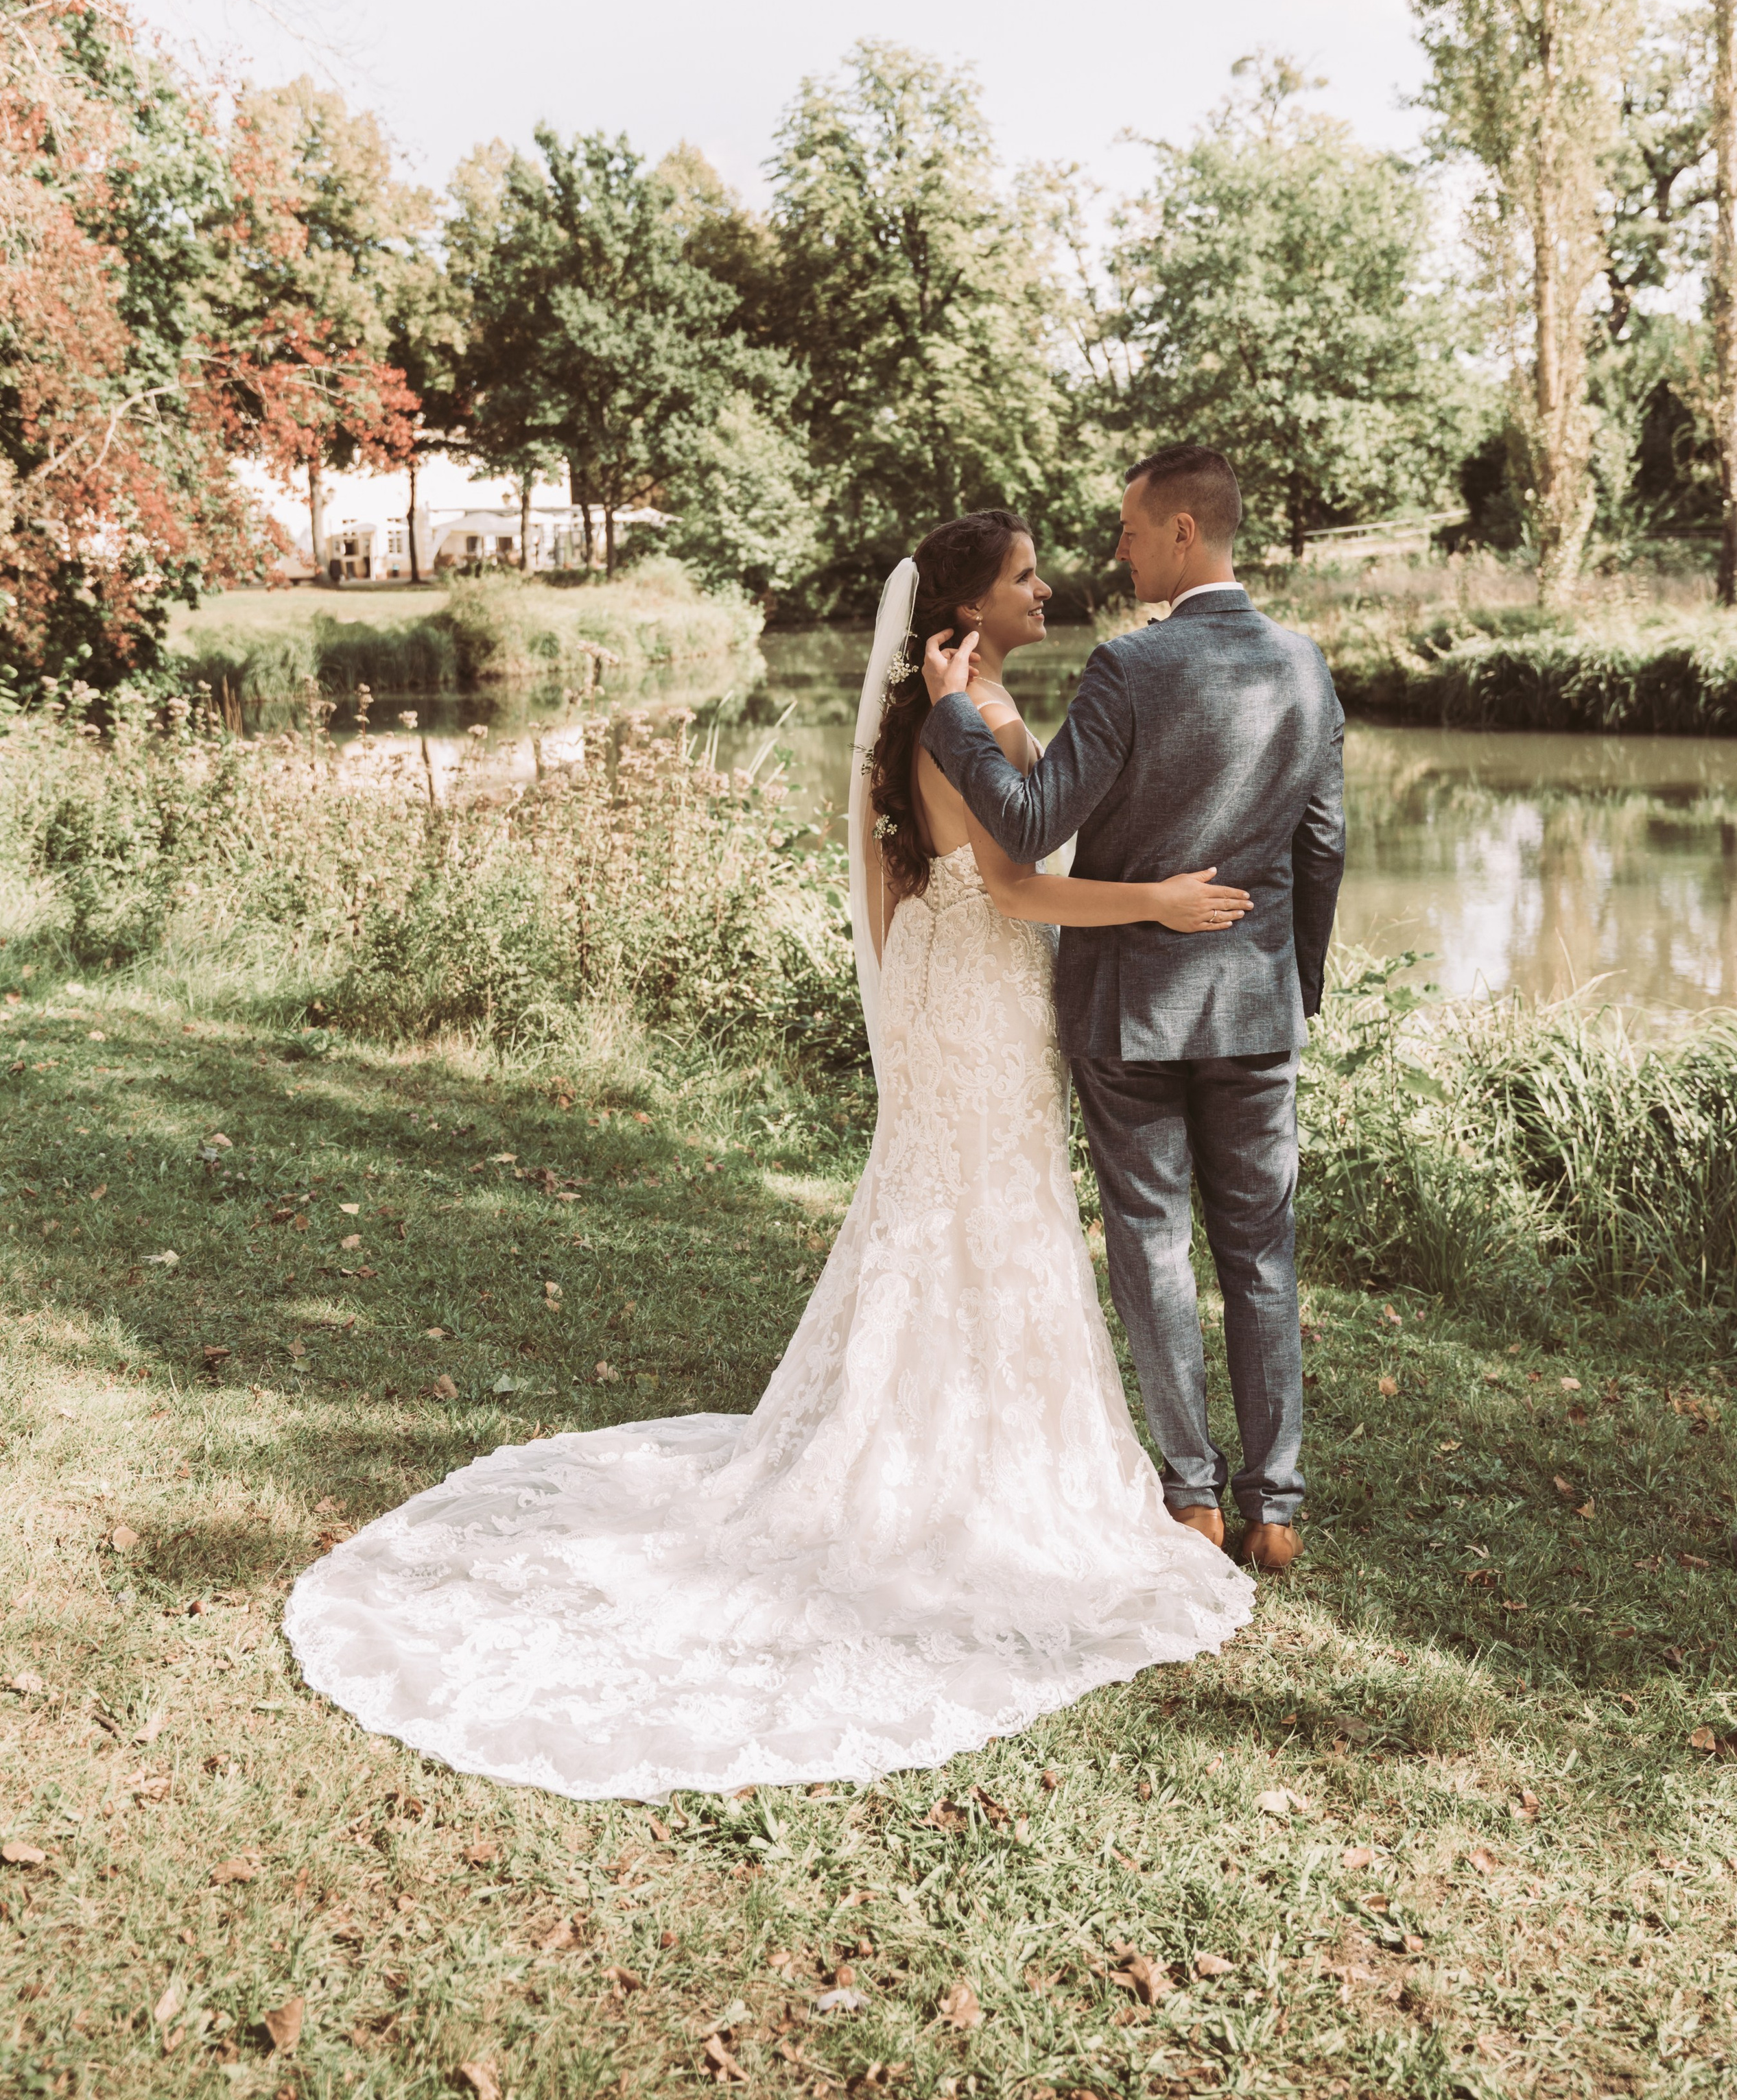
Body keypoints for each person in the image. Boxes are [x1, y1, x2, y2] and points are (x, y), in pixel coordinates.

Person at [282, 506, 1258, 1801]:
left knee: (976, 1210)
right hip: (974, 987)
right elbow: (1018, 889)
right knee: (969, 1207)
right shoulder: (958, 723)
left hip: (969, 987)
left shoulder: (965, 708)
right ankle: (939, 1459)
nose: (1048, 587)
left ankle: (973, 1426)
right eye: (1025, 577)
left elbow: (988, 852)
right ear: (968, 607)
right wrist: (1160, 901)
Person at [921, 446, 1346, 1573]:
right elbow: (1324, 844)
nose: (1114, 550)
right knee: (1262, 1248)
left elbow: (1026, 820)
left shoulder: (1129, 666)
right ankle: (1281, 1506)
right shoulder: (1306, 668)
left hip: (1131, 1010)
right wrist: (1292, 986)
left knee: (1154, 1242)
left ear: (1183, 537)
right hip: (1255, 1009)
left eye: (1128, 529)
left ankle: (1194, 1493)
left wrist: (951, 717)